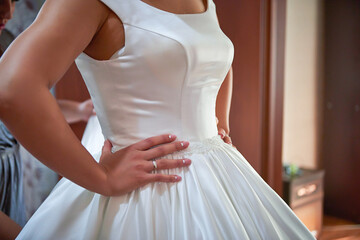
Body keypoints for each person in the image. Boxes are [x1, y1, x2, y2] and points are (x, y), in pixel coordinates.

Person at [0, 0, 316, 239]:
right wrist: (101, 178)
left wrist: (219, 121)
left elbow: (217, 58)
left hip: (221, 173)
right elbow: (12, 88)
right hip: (146, 187)